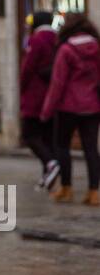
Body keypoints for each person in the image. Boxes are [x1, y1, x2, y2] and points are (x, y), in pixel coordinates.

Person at [41, 12, 100, 205]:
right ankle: (94, 191)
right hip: (92, 106)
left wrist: (47, 110)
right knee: (91, 149)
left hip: (68, 106)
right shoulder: (96, 47)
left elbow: (58, 83)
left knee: (62, 147)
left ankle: (66, 188)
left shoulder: (66, 50)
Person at [19, 11, 60, 189]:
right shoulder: (57, 38)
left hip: (35, 95)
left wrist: (22, 86)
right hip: (52, 95)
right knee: (47, 136)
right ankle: (48, 176)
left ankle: (50, 163)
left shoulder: (37, 39)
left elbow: (28, 67)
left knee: (29, 135)